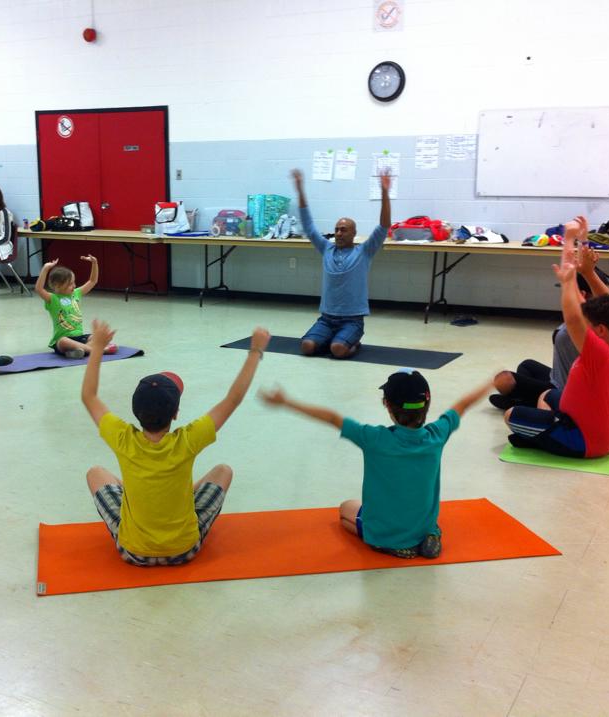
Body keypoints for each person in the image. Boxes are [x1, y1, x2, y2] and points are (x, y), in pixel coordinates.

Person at [82, 321, 270, 566]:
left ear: (135, 412)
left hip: (133, 551)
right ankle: (176, 492)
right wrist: (255, 351)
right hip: (185, 549)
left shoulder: (121, 437)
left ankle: (149, 492)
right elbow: (233, 399)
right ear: (176, 413)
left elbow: (89, 396)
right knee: (223, 471)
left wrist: (97, 348)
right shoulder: (188, 440)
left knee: (96, 473)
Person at [259, 372, 490, 559]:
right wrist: (491, 382)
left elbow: (332, 418)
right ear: (427, 404)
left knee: (344, 510)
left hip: (385, 533)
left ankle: (391, 545)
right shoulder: (437, 435)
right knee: (406, 512)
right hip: (422, 526)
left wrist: (286, 402)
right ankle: (429, 535)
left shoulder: (374, 439)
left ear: (387, 406)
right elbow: (462, 405)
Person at [504, 217, 609, 458]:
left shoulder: (600, 353)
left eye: (592, 324)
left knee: (511, 415)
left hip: (587, 441)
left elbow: (573, 317)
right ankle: (551, 424)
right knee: (545, 395)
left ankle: (547, 435)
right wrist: (588, 271)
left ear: (601, 331)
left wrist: (568, 246)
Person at [291, 168, 391, 359]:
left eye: (343, 230)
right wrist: (300, 190)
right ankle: (332, 338)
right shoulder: (326, 248)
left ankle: (352, 341)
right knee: (306, 346)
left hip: (352, 321)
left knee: (338, 350)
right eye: (336, 230)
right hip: (327, 319)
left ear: (353, 233)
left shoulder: (364, 251)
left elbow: (384, 226)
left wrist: (385, 192)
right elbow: (309, 226)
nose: (338, 233)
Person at [489, 264, 609, 410]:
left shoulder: (575, 328)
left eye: (566, 289)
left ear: (582, 294)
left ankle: (524, 402)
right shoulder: (604, 320)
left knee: (503, 380)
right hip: (561, 379)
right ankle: (522, 399)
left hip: (566, 390)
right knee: (526, 365)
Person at [34, 256, 116, 358]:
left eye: (73, 282)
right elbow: (39, 289)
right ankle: (97, 350)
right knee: (63, 341)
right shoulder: (52, 298)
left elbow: (92, 281)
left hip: (80, 337)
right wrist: (45, 268)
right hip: (63, 339)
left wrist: (95, 264)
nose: (74, 286)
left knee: (96, 337)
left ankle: (79, 351)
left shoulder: (76, 293)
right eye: (69, 284)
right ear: (57, 285)